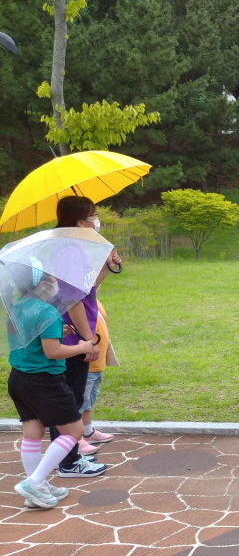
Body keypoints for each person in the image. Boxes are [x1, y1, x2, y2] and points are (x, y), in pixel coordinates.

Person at [8, 264, 97, 508]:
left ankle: (36, 487)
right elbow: (53, 351)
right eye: (52, 278)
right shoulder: (46, 311)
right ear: (42, 285)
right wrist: (82, 346)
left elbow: (30, 338)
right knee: (74, 432)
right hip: (45, 381)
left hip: (19, 379)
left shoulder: (17, 307)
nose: (56, 281)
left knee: (32, 433)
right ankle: (34, 482)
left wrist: (59, 329)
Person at [52, 196, 119, 478]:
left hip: (77, 334)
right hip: (71, 337)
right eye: (93, 215)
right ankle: (68, 461)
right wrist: (86, 339)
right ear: (80, 222)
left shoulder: (73, 247)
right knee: (68, 400)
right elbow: (72, 300)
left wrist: (105, 264)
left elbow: (88, 290)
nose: (96, 220)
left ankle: (70, 456)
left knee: (73, 397)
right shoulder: (68, 251)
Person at [76, 300, 115, 456]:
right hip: (85, 362)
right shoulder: (76, 299)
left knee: (89, 401)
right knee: (78, 402)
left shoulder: (92, 297)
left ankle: (87, 431)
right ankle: (75, 439)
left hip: (97, 362)